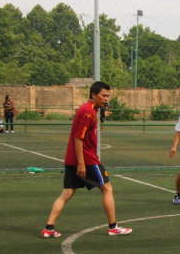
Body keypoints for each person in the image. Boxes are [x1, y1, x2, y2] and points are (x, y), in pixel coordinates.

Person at [41, 81, 132, 238]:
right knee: (107, 188)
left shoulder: (91, 109)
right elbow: (78, 138)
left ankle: (49, 228)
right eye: (103, 96)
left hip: (73, 159)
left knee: (67, 193)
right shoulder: (88, 112)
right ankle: (113, 227)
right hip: (86, 159)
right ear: (93, 95)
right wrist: (82, 164)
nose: (106, 99)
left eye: (108, 96)